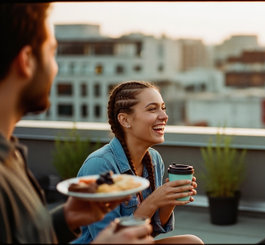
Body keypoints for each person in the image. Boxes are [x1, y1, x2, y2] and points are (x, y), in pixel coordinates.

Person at [0, 3, 153, 244]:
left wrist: (66, 218)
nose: (56, 68)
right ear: (26, 60)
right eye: (52, 53)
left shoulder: (11, 156)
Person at [74, 81, 204, 244]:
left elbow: (152, 230)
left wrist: (169, 200)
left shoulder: (154, 159)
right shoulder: (100, 166)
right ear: (125, 120)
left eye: (163, 108)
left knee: (192, 242)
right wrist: (154, 200)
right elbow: (109, 240)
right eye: (152, 109)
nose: (164, 116)